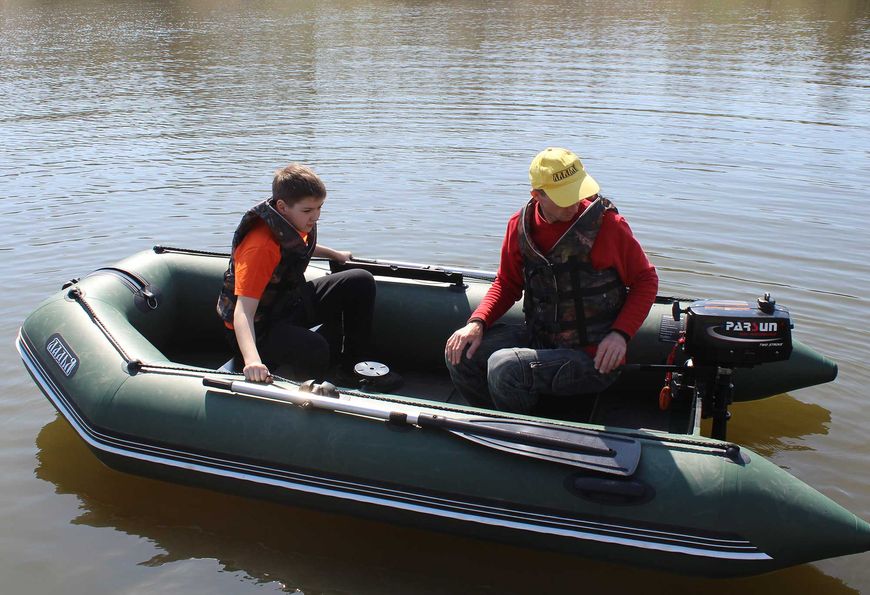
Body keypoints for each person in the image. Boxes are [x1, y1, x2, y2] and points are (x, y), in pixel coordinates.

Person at [444, 147, 658, 414]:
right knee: (461, 352)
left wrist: (619, 335)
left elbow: (646, 279)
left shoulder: (609, 226)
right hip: (540, 339)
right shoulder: (519, 226)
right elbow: (507, 283)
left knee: (505, 366)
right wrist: (477, 322)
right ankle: (502, 424)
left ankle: (526, 432)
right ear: (537, 195)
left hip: (592, 356)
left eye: (577, 193)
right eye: (563, 197)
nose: (573, 204)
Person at [217, 163, 375, 383]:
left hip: (285, 304)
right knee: (315, 347)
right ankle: (311, 393)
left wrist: (334, 254)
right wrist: (252, 360)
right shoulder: (260, 248)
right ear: (282, 207)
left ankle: (353, 367)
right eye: (308, 210)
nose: (316, 216)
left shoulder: (290, 221)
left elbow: (296, 248)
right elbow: (243, 313)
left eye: (320, 207)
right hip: (259, 328)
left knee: (360, 281)